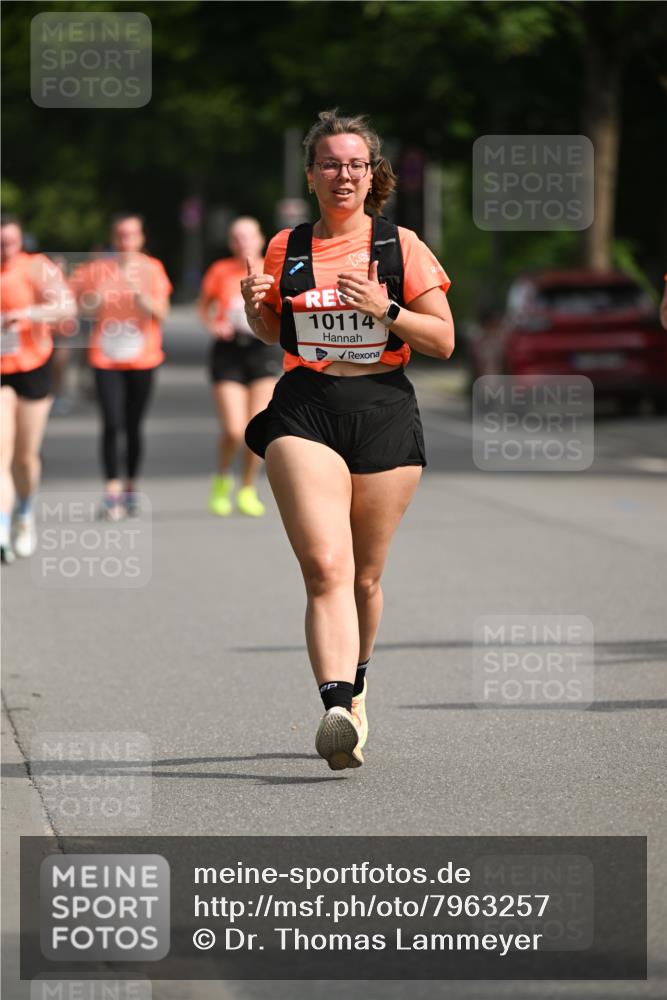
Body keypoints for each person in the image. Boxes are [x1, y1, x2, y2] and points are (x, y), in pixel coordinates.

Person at [241, 110, 454, 770]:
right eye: (330, 164)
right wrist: (254, 305)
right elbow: (273, 329)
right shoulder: (286, 246)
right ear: (310, 175)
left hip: (382, 409)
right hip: (305, 407)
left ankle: (357, 688)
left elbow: (444, 340)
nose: (343, 175)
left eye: (355, 164)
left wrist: (384, 309)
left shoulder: (399, 246)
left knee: (363, 576)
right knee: (325, 566)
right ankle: (334, 707)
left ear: (371, 174)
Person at [69, 214, 172, 520]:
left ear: (141, 238)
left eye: (131, 235)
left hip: (143, 357)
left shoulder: (153, 269)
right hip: (106, 357)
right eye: (121, 235)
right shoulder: (97, 269)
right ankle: (111, 490)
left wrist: (141, 296)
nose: (126, 241)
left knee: (133, 424)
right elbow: (79, 307)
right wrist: (96, 298)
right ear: (114, 238)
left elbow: (162, 313)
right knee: (112, 423)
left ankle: (130, 487)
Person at [0, 215, 76, 563]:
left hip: (32, 367)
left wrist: (27, 314)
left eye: (11, 243)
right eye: (1, 244)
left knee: (25, 457)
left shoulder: (37, 267)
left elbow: (66, 306)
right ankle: (3, 526)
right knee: (1, 452)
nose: (6, 250)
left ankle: (26, 511)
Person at [199, 217, 281, 516]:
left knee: (256, 427)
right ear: (230, 242)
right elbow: (203, 307)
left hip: (262, 350)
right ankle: (222, 479)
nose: (242, 242)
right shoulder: (220, 270)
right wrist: (214, 324)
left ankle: (247, 487)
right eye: (236, 237)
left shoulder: (271, 269)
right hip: (229, 352)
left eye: (248, 236)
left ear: (260, 239)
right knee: (234, 429)